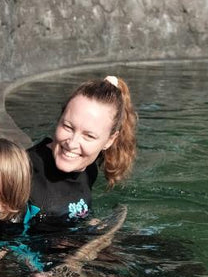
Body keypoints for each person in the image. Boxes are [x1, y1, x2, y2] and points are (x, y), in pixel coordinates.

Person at [27, 75, 138, 222]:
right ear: (59, 119)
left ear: (109, 140)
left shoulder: (88, 168)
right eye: (67, 127)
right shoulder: (24, 173)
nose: (72, 144)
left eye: (89, 136)